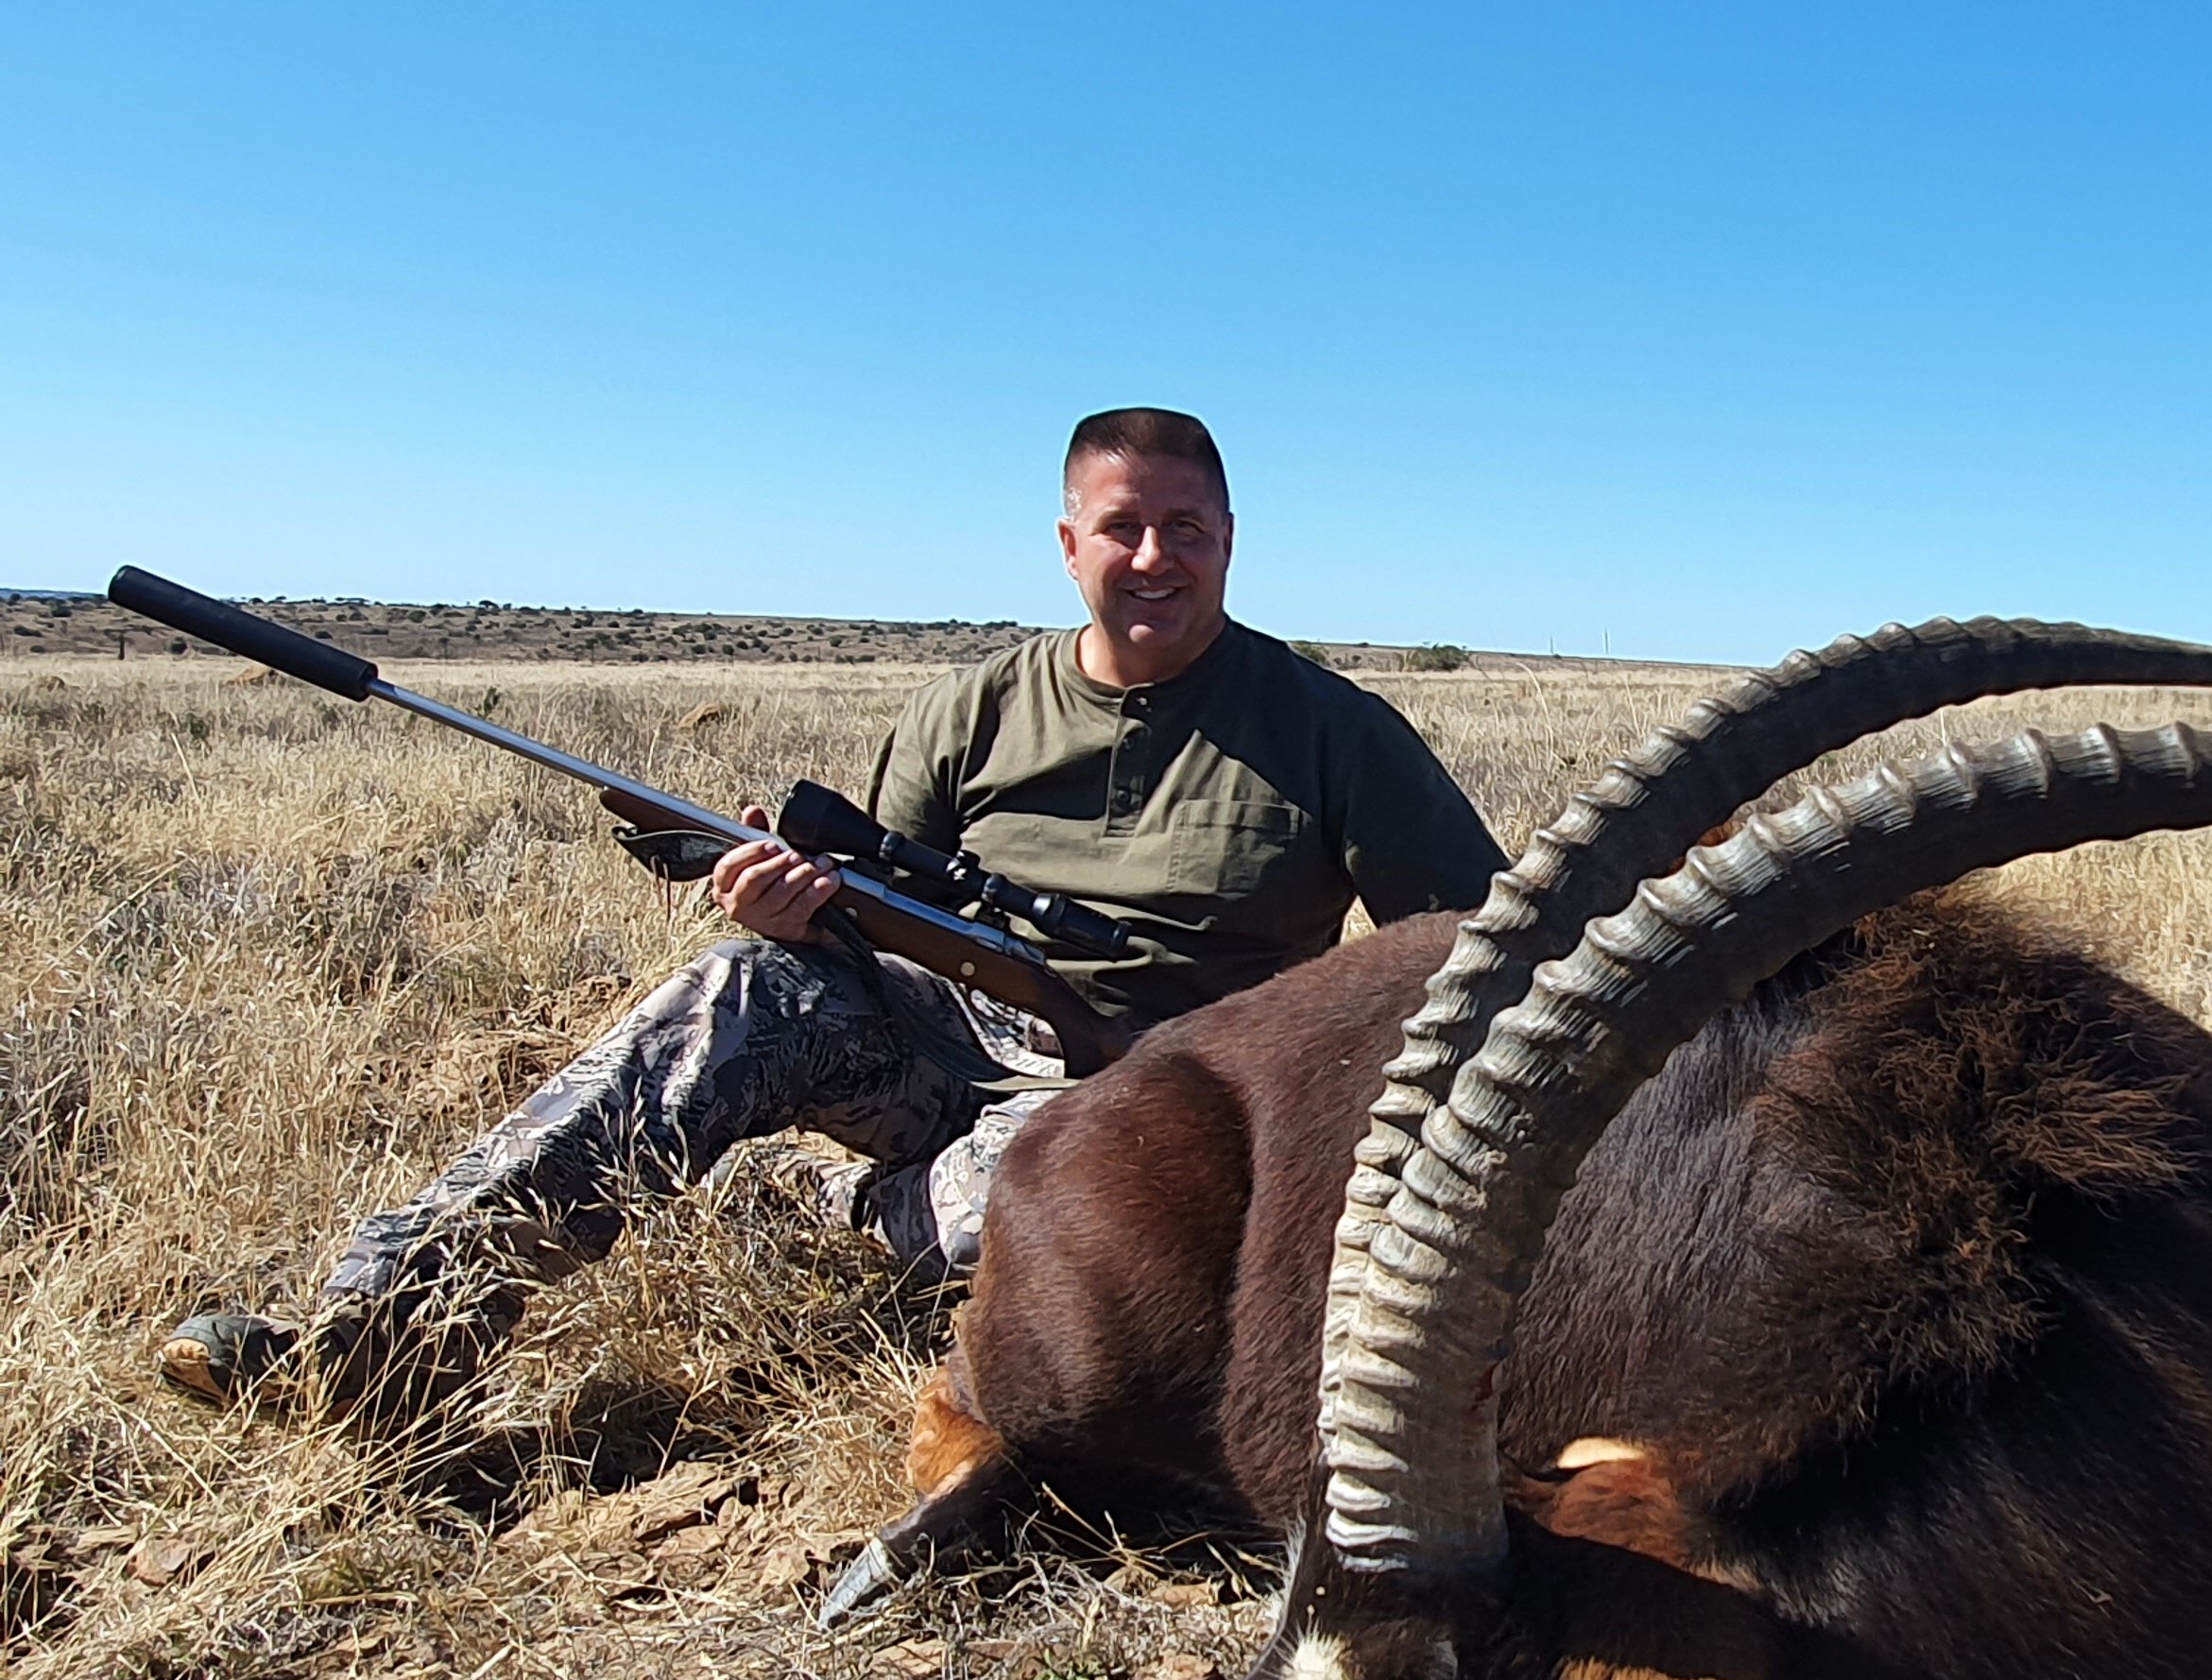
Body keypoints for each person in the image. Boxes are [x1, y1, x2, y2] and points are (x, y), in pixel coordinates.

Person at [161, 408, 1505, 1409]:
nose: (1155, 556)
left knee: (1047, 1211)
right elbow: (893, 908)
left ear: (1231, 541)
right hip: (957, 1036)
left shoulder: (1339, 732)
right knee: (732, 997)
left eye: (1188, 530)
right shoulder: (973, 708)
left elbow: (1473, 945)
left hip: (1174, 1099)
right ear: (1067, 543)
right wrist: (800, 913)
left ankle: (859, 1215)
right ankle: (370, 1340)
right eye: (1122, 528)